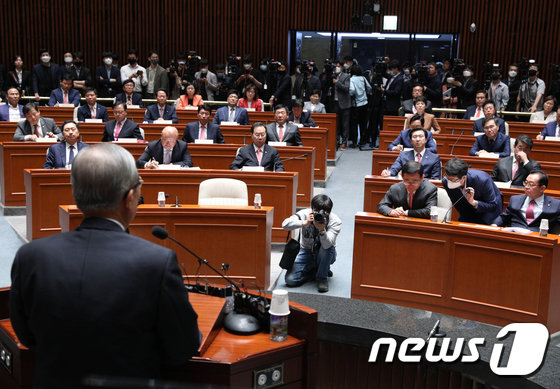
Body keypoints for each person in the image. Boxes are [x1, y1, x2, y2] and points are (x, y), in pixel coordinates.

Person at [10, 142, 200, 388]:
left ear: (76, 193)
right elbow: (183, 347)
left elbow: (26, 336)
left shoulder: (30, 256)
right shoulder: (156, 263)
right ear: (130, 198)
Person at [283, 194, 342, 293]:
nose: (320, 214)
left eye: (324, 212)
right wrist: (304, 223)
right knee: (290, 280)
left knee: (326, 248)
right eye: (316, 211)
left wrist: (322, 230)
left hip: (326, 253)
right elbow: (285, 224)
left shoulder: (335, 221)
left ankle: (322, 278)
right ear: (312, 209)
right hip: (306, 251)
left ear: (330, 212)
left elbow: (327, 245)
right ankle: (318, 270)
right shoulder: (305, 214)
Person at [493, 170, 560, 232]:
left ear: (542, 188)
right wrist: (494, 225)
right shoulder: (515, 200)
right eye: (526, 183)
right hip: (515, 236)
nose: (526, 187)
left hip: (538, 239)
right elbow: (504, 217)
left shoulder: (556, 205)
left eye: (531, 184)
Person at [442, 157, 503, 225]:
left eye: (452, 180)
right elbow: (458, 205)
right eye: (447, 178)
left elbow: (492, 205)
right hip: (467, 212)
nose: (449, 182)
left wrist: (473, 202)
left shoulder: (482, 180)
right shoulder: (445, 182)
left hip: (489, 213)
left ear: (464, 178)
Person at [349, 64, 372, 145]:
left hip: (355, 104)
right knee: (363, 123)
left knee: (354, 124)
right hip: (364, 103)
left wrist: (352, 95)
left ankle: (354, 141)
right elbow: (369, 88)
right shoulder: (363, 78)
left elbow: (352, 90)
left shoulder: (351, 79)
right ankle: (362, 140)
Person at [333, 60, 352, 149]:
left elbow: (346, 88)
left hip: (345, 103)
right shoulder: (331, 75)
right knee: (336, 123)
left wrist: (337, 82)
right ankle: (336, 141)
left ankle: (344, 142)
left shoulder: (346, 76)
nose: (337, 68)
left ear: (342, 67)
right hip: (335, 102)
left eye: (339, 66)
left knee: (345, 124)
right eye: (336, 66)